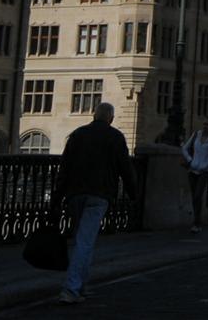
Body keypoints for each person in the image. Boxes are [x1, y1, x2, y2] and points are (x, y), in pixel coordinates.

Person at [55, 101, 137, 305]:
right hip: (99, 195)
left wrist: (56, 199)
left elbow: (64, 169)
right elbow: (126, 170)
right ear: (111, 118)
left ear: (94, 116)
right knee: (85, 242)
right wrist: (134, 194)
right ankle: (71, 289)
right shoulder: (115, 137)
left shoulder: (77, 134)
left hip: (75, 194)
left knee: (81, 241)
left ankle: (79, 286)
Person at [180, 117, 208, 234]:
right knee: (194, 197)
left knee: (198, 195)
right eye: (203, 124)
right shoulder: (196, 135)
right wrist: (190, 160)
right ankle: (196, 222)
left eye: (207, 124)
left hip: (204, 171)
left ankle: (196, 222)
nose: (205, 126)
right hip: (192, 170)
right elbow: (184, 148)